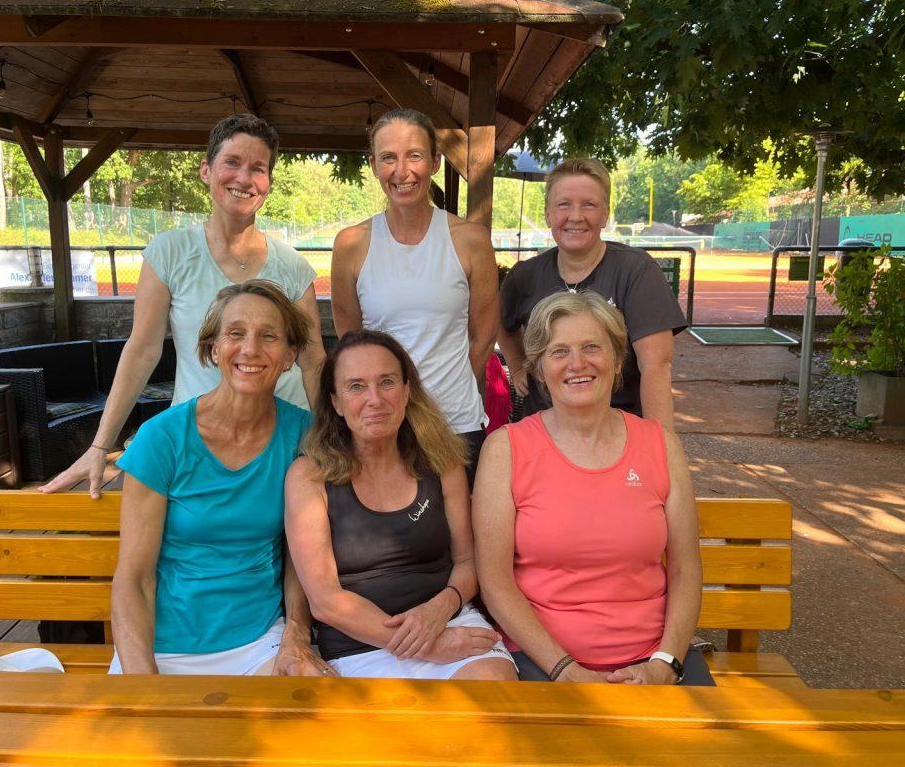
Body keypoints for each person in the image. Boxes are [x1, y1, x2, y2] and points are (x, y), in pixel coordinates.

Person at [42, 114, 326, 497]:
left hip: (284, 443)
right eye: (232, 162)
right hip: (200, 442)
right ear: (206, 171)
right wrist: (99, 447)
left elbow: (312, 360)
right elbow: (142, 350)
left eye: (258, 168)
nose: (244, 178)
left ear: (268, 183)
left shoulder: (292, 266)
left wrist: (327, 440)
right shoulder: (170, 252)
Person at [473, 291, 712, 685]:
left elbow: (686, 567)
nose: (577, 363)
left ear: (617, 360)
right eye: (559, 352)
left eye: (592, 347)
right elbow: (495, 580)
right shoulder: (506, 450)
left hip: (654, 659)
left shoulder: (660, 444)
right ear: (539, 369)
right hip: (543, 662)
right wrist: (565, 670)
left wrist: (665, 663)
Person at [110, 280, 330, 676]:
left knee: (320, 704)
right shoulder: (162, 438)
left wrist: (296, 635)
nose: (250, 349)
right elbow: (134, 579)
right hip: (162, 647)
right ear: (214, 349)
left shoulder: (303, 434)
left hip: (259, 641)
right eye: (235, 333)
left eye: (269, 336)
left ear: (290, 355)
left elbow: (301, 557)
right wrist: (143, 684)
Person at [284, 329, 517, 681]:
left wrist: (439, 610)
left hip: (449, 621)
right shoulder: (309, 476)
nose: (375, 399)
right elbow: (325, 600)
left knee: (492, 691)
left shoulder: (441, 462)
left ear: (407, 391)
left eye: (387, 382)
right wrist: (428, 646)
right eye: (356, 387)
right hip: (360, 643)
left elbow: (468, 561)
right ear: (336, 402)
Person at [330, 108, 499, 485]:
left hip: (455, 422)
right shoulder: (351, 244)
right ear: (374, 165)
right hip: (383, 426)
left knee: (460, 523)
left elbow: (484, 336)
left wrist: (444, 390)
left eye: (415, 155)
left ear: (435, 162)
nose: (402, 171)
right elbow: (351, 342)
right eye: (388, 157)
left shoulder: (470, 240)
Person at [498, 158, 686, 430]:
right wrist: (517, 366)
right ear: (548, 214)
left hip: (617, 428)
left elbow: (656, 367)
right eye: (564, 205)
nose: (576, 216)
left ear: (605, 214)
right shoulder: (525, 275)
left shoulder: (636, 271)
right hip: (544, 428)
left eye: (589, 204)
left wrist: (660, 443)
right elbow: (501, 324)